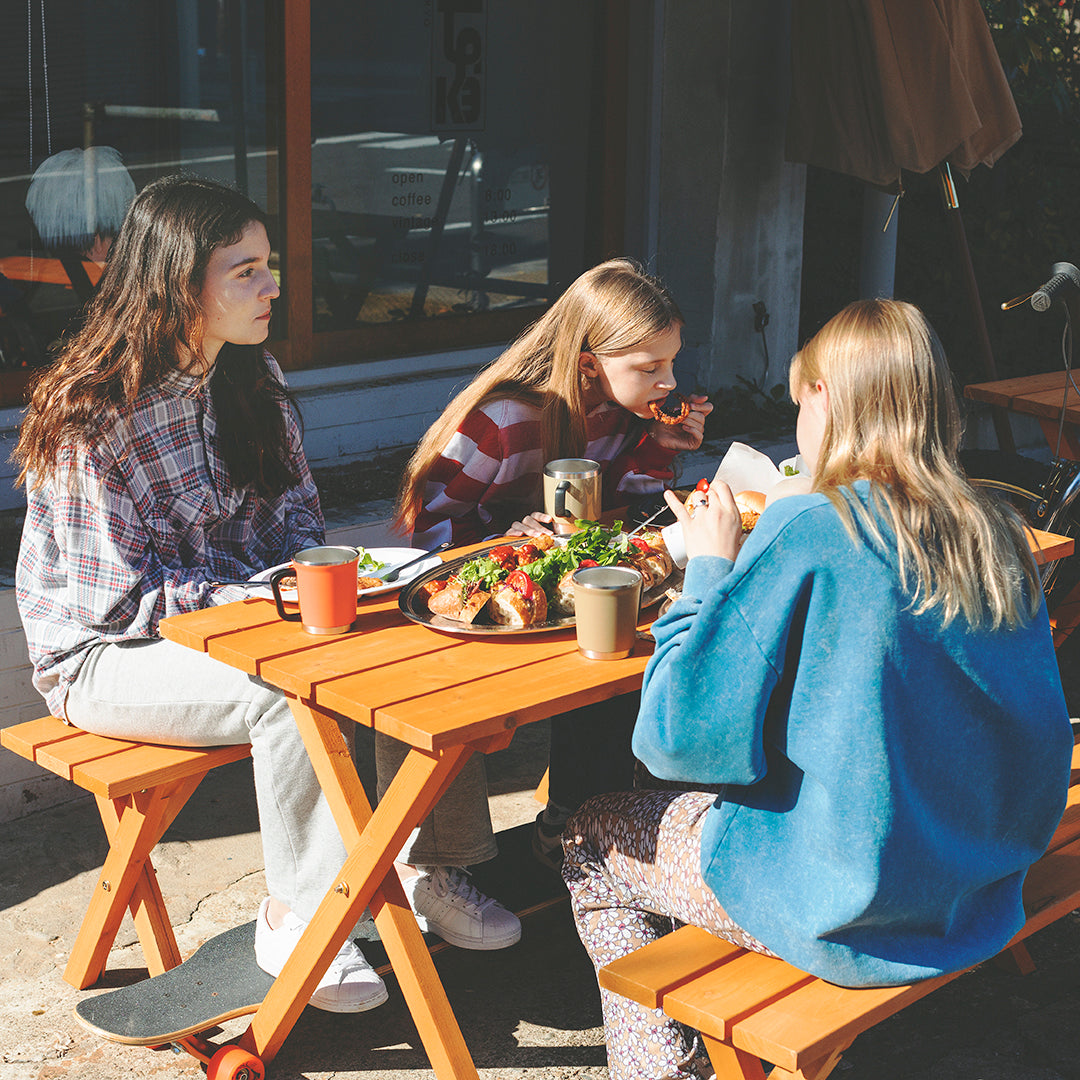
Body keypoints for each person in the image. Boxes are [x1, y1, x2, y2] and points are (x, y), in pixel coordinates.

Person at [560, 298, 1074, 1080]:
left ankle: (661, 1072)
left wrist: (709, 567)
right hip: (977, 876)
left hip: (846, 905)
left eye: (801, 400)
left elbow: (672, 738)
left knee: (587, 836)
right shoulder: (993, 527)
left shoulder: (810, 528)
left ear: (826, 397)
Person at [13, 174, 391, 1013]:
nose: (274, 286)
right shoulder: (93, 417)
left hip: (242, 625)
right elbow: (116, 606)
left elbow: (299, 518)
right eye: (247, 270)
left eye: (271, 266)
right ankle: (298, 917)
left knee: (394, 646)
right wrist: (259, 598)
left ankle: (436, 873)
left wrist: (313, 580)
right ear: (182, 282)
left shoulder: (251, 379)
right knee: (287, 696)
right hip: (105, 658)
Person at [393, 258, 712, 871]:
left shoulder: (624, 415)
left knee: (632, 657)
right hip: (488, 611)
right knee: (608, 668)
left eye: (671, 362)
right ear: (590, 362)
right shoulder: (504, 420)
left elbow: (618, 516)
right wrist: (498, 539)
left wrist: (658, 446)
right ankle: (575, 826)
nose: (669, 381)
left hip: (566, 596)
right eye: (650, 367)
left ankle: (587, 818)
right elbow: (423, 529)